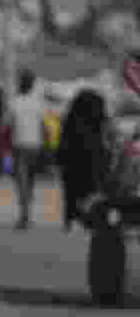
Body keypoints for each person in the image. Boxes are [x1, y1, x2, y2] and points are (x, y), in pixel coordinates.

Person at [56, 88, 111, 232]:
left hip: (73, 163)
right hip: (93, 160)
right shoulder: (98, 117)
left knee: (71, 191)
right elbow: (104, 142)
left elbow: (63, 143)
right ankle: (92, 217)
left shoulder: (71, 119)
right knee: (92, 190)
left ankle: (71, 218)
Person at [8, 68, 46, 230]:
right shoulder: (38, 103)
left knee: (22, 182)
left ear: (20, 84)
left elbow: (8, 125)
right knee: (30, 182)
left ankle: (25, 216)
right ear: (32, 85)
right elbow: (44, 126)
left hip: (20, 145)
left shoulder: (14, 102)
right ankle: (27, 214)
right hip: (35, 146)